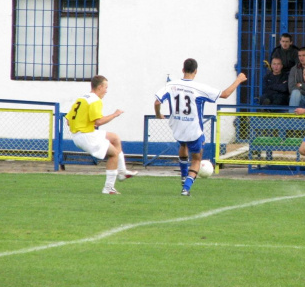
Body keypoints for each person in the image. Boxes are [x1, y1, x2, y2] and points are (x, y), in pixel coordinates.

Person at [154, 58, 247, 196]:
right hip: (193, 129)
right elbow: (225, 94)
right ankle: (186, 188)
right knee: (197, 159)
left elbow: (157, 102)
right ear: (196, 71)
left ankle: (183, 176)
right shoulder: (199, 88)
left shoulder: (171, 85)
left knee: (183, 145)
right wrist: (238, 80)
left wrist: (158, 114)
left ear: (183, 70)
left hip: (177, 127)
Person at [65, 75, 137, 195]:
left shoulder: (82, 98)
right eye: (105, 87)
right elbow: (98, 121)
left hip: (80, 134)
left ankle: (122, 171)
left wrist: (84, 123)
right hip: (86, 136)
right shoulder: (95, 100)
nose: (106, 91)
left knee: (115, 138)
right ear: (99, 87)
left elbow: (68, 121)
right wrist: (115, 114)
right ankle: (108, 188)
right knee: (114, 154)